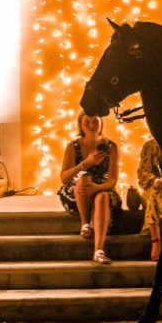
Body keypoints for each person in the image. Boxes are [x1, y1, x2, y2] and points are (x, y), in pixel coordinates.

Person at [58, 112, 122, 264]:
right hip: (76, 192)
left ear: (101, 123)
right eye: (87, 122)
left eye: (95, 121)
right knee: (84, 178)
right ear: (80, 125)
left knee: (103, 196)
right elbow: (64, 178)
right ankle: (85, 222)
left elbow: (112, 180)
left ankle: (98, 250)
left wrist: (97, 188)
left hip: (101, 188)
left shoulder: (110, 146)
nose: (92, 125)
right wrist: (85, 163)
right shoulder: (73, 146)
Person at [137, 138, 162, 261]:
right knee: (156, 193)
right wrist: (154, 180)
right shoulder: (149, 146)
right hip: (153, 188)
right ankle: (156, 240)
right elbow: (143, 172)